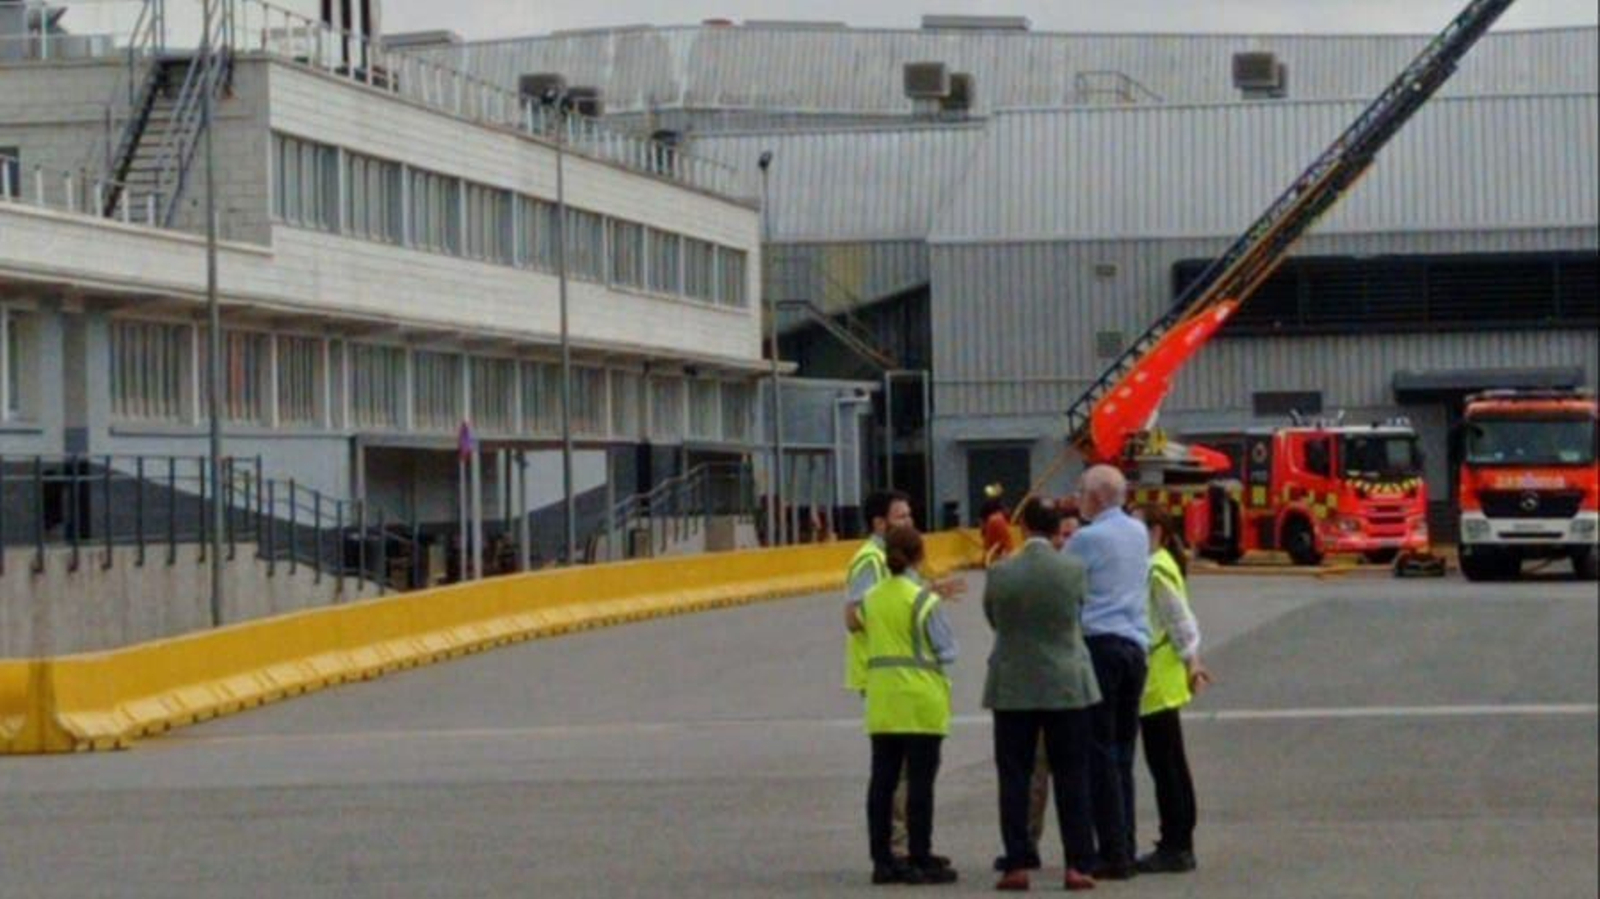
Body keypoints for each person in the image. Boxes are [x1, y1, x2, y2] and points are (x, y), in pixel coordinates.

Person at [983, 499, 1101, 892]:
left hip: (1013, 684)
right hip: (1066, 683)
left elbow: (994, 618)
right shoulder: (1073, 569)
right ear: (1056, 531)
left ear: (1022, 527)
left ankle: (1017, 862)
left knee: (1015, 774)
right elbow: (1079, 612)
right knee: (1072, 774)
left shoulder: (1000, 572)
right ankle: (1078, 864)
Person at [1064, 464, 1151, 881]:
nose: (1077, 497)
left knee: (1098, 753)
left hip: (1100, 643)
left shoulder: (1086, 538)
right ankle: (1126, 843)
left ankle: (1111, 851)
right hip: (1135, 644)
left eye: (1081, 490)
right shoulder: (1137, 531)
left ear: (1097, 497)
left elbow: (1062, 582)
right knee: (1122, 751)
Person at [861, 525, 960, 885]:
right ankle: (920, 855)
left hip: (883, 701)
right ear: (920, 556)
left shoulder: (871, 597)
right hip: (920, 701)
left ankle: (883, 859)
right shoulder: (924, 600)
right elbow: (947, 649)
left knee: (882, 783)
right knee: (920, 784)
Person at [1136, 504, 1212, 874]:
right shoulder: (1163, 563)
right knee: (1171, 764)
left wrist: (1192, 661)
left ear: (1157, 532)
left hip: (1156, 679)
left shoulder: (1155, 569)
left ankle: (1176, 843)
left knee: (1165, 766)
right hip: (1163, 676)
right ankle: (1178, 838)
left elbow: (1179, 620)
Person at [980, 485, 1018, 566]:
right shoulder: (1000, 505)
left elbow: (982, 519)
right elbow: (1007, 516)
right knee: (1004, 545)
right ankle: (1006, 559)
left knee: (990, 547)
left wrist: (983, 530)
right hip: (998, 525)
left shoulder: (989, 505)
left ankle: (988, 560)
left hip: (991, 526)